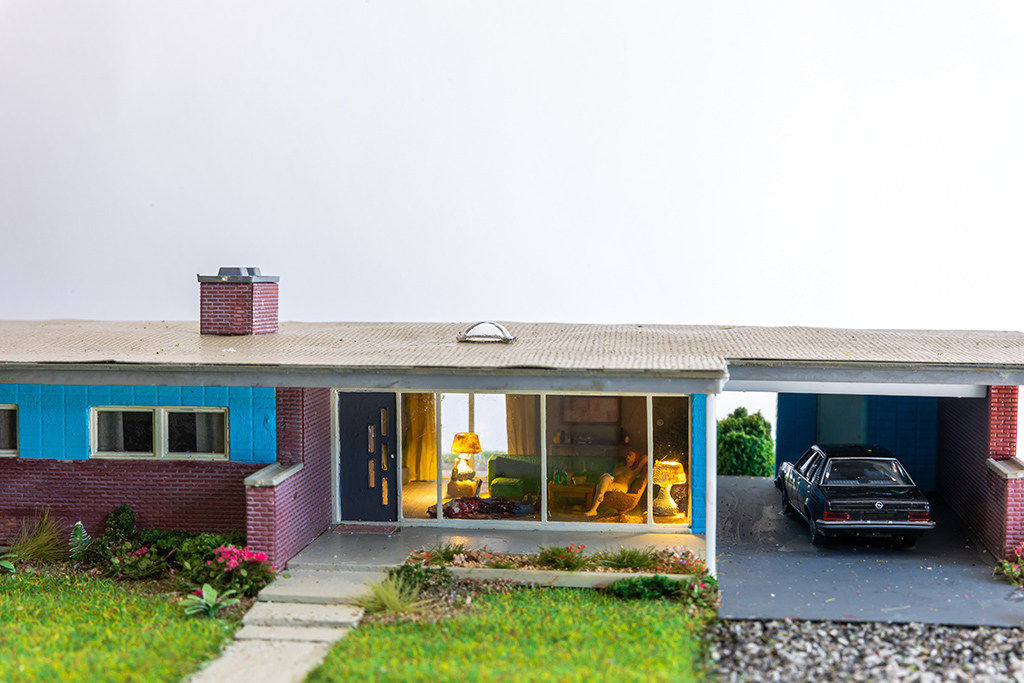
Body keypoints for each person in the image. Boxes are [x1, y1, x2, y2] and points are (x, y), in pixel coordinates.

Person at [584, 450, 648, 516]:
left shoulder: (635, 470)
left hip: (622, 487)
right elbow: (612, 478)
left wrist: (639, 458)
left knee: (599, 486)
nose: (627, 456)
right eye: (627, 454)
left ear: (635, 459)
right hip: (613, 483)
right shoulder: (620, 468)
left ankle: (594, 508)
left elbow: (646, 458)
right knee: (606, 476)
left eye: (630, 455)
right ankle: (599, 498)